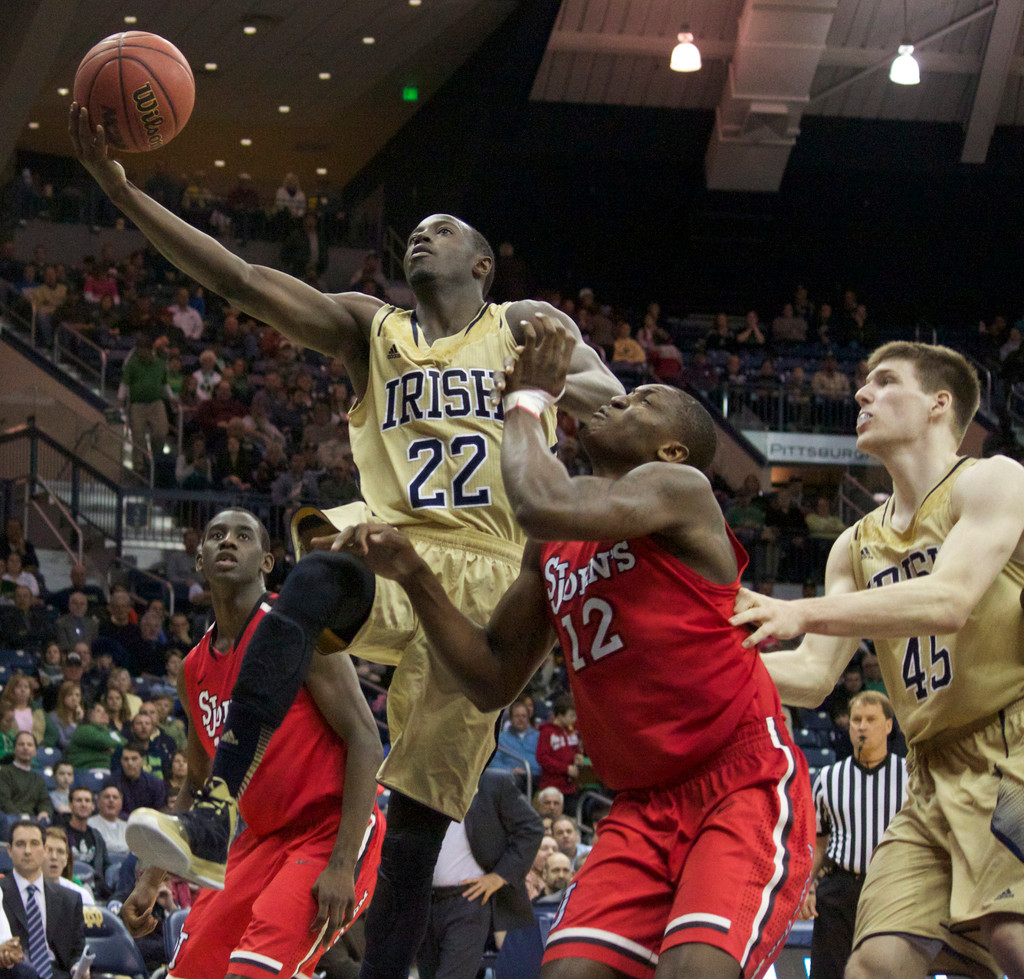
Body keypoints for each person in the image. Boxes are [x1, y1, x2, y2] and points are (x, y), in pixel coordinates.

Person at [72, 106, 620, 979]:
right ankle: (216, 808)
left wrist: (566, 383)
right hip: (399, 549)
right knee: (320, 574)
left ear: (482, 264)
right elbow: (246, 281)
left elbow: (614, 407)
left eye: (443, 231)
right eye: (414, 230)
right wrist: (120, 190)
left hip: (495, 584)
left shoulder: (522, 325)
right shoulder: (375, 329)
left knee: (410, 837)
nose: (421, 238)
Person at [339, 315, 814, 979]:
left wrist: (526, 399)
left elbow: (537, 498)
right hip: (640, 804)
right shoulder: (555, 542)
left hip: (739, 780)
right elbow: (493, 675)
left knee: (694, 969)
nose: (617, 398)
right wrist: (416, 575)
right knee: (566, 972)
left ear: (672, 450)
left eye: (640, 400)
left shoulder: (683, 491)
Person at [730, 341, 1024, 978]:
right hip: (929, 772)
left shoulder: (992, 479)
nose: (862, 394)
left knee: (1014, 941)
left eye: (886, 382)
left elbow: (949, 600)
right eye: (864, 384)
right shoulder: (854, 545)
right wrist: (694, 666)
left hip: (1015, 749)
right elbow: (810, 678)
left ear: (940, 404)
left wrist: (800, 611)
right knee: (878, 964)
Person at [121, 508, 384, 979]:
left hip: (329, 828)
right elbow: (199, 784)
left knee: (253, 973)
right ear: (199, 560)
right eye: (216, 535)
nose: (227, 542)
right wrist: (151, 877)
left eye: (243, 536)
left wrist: (343, 864)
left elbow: (366, 740)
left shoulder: (298, 628)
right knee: (190, 971)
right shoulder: (193, 669)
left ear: (266, 562)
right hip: (261, 839)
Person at [802, 691, 907, 979]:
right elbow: (819, 842)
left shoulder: (909, 776)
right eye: (856, 720)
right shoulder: (828, 778)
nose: (862, 726)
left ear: (888, 726)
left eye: (871, 719)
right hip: (838, 889)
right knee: (829, 973)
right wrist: (807, 888)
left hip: (890, 890)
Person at [418, 771, 543, 979]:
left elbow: (532, 828)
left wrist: (500, 875)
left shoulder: (494, 783)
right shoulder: (422, 784)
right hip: (423, 902)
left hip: (469, 899)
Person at [1, 821, 85, 979]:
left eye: (34, 844)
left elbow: (77, 951)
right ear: (9, 850)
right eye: (20, 844)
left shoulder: (70, 899)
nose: (27, 851)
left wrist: (77, 968)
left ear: (45, 849)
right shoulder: (0, 892)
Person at [0, 734, 52, 824]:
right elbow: (4, 801)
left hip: (32, 821)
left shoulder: (38, 779)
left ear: (35, 751)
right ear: (14, 749)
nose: (25, 748)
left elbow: (45, 801)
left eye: (29, 745)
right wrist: (20, 817)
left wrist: (44, 811)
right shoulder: (4, 773)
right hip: (11, 819)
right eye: (21, 744)